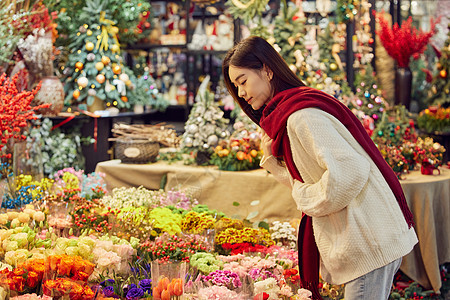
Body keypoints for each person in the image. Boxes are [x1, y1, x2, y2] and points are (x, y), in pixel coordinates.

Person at [222, 36, 418, 300]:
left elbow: (348, 174)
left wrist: (303, 197)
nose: (242, 94)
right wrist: (271, 162)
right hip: (365, 240)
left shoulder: (302, 116)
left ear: (267, 70)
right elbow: (308, 181)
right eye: (236, 87)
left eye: (243, 82)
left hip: (367, 242)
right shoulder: (290, 113)